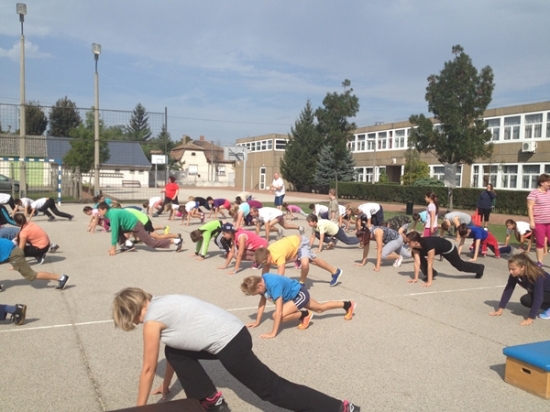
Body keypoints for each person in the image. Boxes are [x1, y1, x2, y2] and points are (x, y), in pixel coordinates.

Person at [112, 288, 360, 411]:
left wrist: (140, 409)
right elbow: (175, 351)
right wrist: (166, 385)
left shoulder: (152, 321)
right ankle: (211, 401)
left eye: (130, 320)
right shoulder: (163, 302)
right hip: (235, 332)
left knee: (272, 390)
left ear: (131, 311)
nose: (135, 324)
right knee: (174, 351)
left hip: (230, 344)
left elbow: (147, 369)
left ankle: (341, 408)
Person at [241, 274, 356, 336]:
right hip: (292, 297)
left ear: (259, 286)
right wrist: (257, 321)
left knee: (276, 316)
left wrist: (273, 333)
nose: (258, 294)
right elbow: (262, 303)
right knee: (320, 309)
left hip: (299, 294)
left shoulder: (273, 284)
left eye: (256, 293)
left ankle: (304, 315)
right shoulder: (261, 283)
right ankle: (347, 305)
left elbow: (279, 311)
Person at [254, 235, 344, 287]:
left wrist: (274, 287)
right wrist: (263, 282)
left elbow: (280, 276)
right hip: (293, 243)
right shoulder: (266, 254)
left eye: (265, 262)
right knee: (314, 261)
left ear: (268, 255)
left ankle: (302, 284)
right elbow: (265, 271)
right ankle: (335, 271)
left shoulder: (278, 256)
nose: (265, 264)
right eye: (263, 263)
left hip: (301, 243)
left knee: (305, 264)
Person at [97, 202, 182, 255]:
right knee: (117, 230)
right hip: (132, 225)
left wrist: (113, 248)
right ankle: (129, 245)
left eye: (99, 210)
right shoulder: (111, 213)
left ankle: (176, 241)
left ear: (105, 209)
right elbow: (116, 229)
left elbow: (114, 232)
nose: (98, 212)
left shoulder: (113, 215)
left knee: (152, 243)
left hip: (136, 225)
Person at [405, 231, 484, 287]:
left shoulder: (429, 245)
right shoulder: (415, 247)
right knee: (415, 255)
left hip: (447, 248)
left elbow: (430, 264)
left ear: (416, 242)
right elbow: (417, 262)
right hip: (437, 248)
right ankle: (432, 273)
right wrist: (415, 279)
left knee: (460, 266)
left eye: (409, 242)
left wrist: (429, 282)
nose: (407, 244)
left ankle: (480, 268)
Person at [489, 253, 550, 325]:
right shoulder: (514, 274)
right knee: (525, 300)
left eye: (513, 269)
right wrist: (500, 309)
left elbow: (538, 297)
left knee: (533, 298)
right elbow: (508, 290)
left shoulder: (537, 275)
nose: (510, 271)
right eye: (509, 269)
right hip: (545, 293)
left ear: (522, 267)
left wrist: (530, 319)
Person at [0, 238, 69, 289]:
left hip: (13, 253)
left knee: (31, 275)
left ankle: (62, 278)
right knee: (30, 274)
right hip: (12, 248)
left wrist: (16, 263)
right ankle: (61, 278)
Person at [527, 173, 550, 267]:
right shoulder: (534, 193)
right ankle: (540, 262)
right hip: (539, 222)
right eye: (547, 182)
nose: (549, 184)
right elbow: (530, 207)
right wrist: (532, 221)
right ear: (541, 183)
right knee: (540, 242)